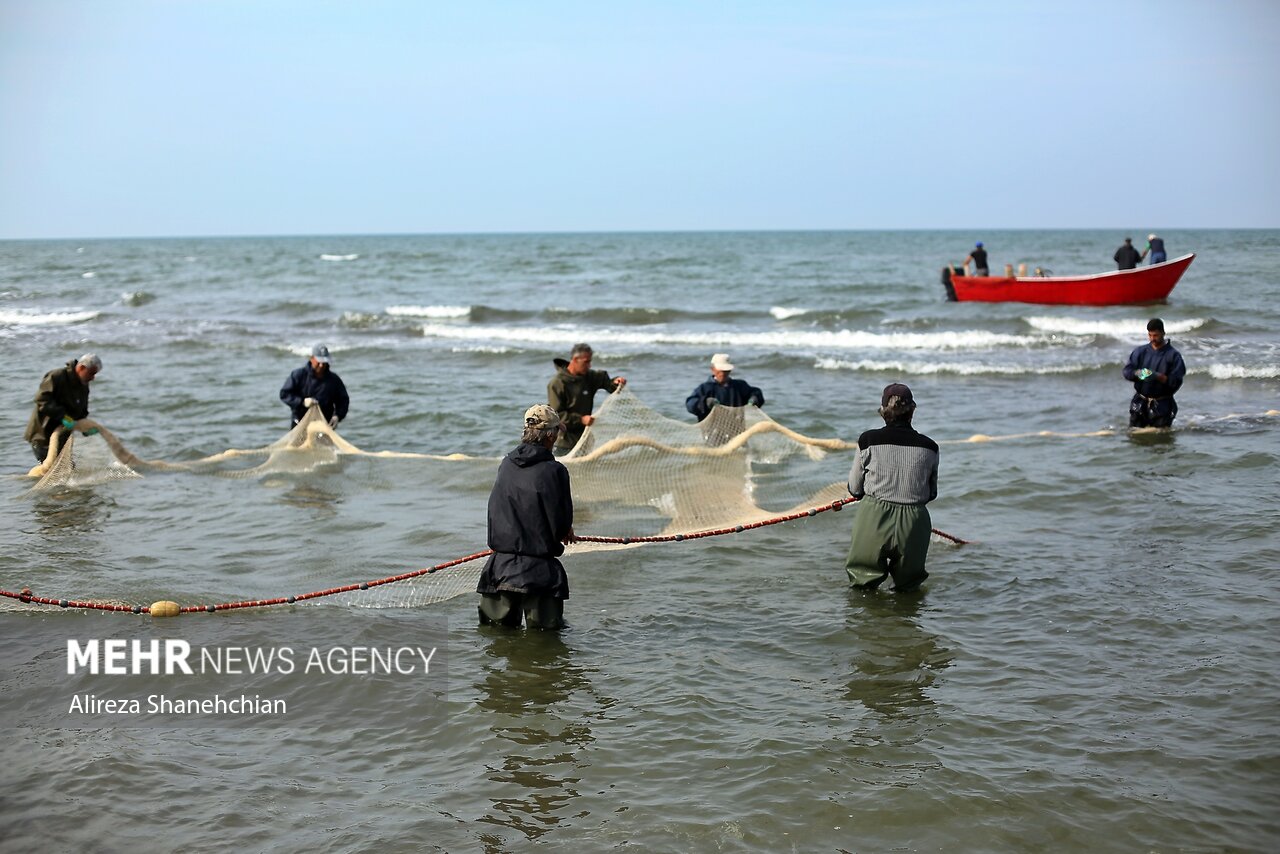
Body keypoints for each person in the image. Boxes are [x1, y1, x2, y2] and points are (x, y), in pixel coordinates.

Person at [476, 404, 578, 629]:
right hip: (541, 573)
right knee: (545, 641)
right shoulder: (556, 471)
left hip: (499, 569)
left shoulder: (506, 464)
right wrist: (566, 530)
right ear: (551, 436)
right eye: (557, 431)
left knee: (495, 637)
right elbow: (560, 525)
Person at [844, 383, 939, 592]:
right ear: (912, 411)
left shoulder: (867, 440)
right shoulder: (930, 447)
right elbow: (931, 493)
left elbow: (855, 489)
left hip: (874, 516)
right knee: (909, 589)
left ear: (883, 411)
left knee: (862, 586)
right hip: (914, 521)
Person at [547, 342, 626, 454]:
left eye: (590, 361)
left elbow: (608, 383)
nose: (589, 365)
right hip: (564, 443)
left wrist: (616, 382)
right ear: (575, 360)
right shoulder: (557, 383)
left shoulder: (589, 377)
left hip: (585, 439)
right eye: (586, 362)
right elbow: (557, 416)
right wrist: (581, 419)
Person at [23, 353, 103, 462]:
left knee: (67, 467)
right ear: (81, 368)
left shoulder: (83, 385)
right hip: (42, 435)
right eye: (91, 373)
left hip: (63, 437)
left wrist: (85, 427)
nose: (93, 378)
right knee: (48, 467)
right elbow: (42, 400)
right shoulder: (56, 376)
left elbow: (81, 412)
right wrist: (63, 417)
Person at [1122, 318, 1186, 428]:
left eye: (1155, 335)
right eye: (1150, 335)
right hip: (1140, 403)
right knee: (1134, 434)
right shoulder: (1140, 352)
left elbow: (1176, 381)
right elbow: (1127, 371)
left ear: (1163, 333)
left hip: (1162, 405)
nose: (1152, 339)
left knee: (1159, 436)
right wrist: (1137, 373)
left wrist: (1158, 376)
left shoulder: (1173, 356)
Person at [279, 344, 349, 429]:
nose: (321, 365)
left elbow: (343, 400)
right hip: (300, 422)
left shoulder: (334, 380)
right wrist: (302, 402)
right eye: (319, 361)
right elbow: (285, 394)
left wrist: (337, 416)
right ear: (312, 358)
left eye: (324, 362)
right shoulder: (298, 375)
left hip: (324, 424)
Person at [685, 353, 765, 421]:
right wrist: (705, 402)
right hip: (712, 431)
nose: (723, 373)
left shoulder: (739, 386)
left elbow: (755, 392)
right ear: (713, 369)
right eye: (720, 370)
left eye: (726, 371)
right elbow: (690, 404)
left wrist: (755, 398)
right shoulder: (704, 388)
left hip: (737, 429)